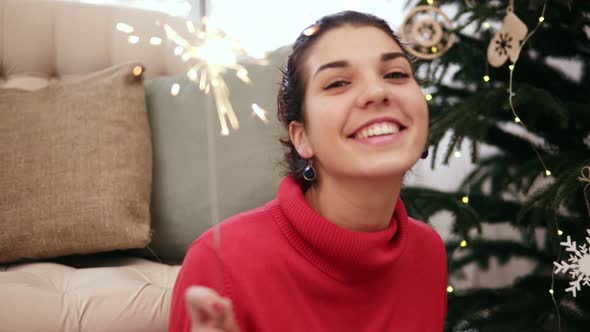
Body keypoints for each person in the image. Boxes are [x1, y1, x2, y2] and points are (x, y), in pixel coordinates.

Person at [169, 10, 447, 332]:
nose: (377, 92)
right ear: (302, 138)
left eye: (396, 74)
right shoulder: (220, 263)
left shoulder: (427, 251)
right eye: (338, 82)